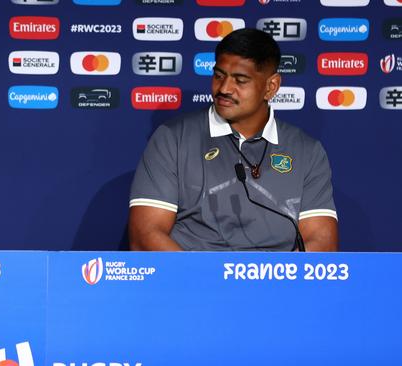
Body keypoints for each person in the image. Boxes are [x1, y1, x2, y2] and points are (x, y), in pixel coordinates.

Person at [128, 28, 338, 251]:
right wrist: (208, 283)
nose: (224, 89)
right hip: (194, 281)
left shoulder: (307, 151)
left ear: (271, 87)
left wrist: (275, 284)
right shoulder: (172, 138)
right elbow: (146, 235)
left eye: (240, 80)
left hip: (274, 283)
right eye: (219, 76)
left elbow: (321, 241)